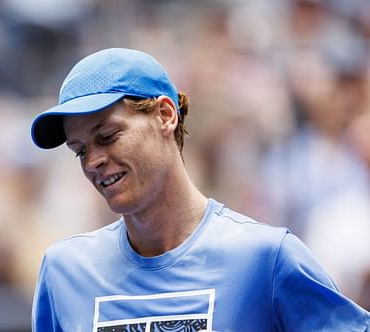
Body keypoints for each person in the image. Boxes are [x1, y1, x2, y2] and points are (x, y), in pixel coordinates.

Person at [29, 48, 369, 332]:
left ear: (165, 115)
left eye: (108, 136)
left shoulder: (265, 258)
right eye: (80, 150)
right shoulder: (64, 271)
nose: (93, 162)